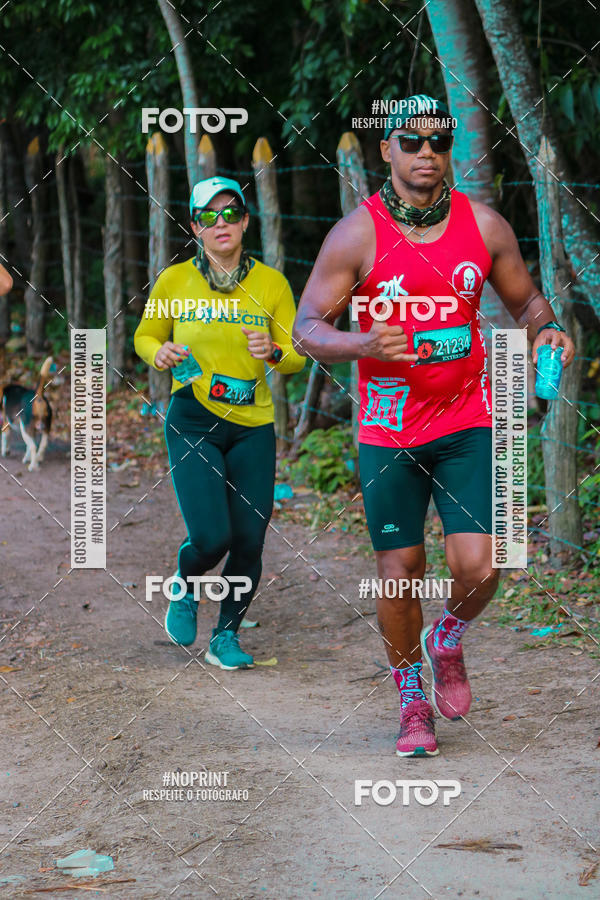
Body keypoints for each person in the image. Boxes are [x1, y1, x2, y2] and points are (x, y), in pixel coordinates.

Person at [293, 96, 574, 755]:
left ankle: (445, 637)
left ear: (451, 152)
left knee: (480, 566)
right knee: (401, 570)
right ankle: (410, 694)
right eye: (412, 142)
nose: (427, 153)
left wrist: (548, 329)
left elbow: (526, 300)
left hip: (466, 421)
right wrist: (363, 345)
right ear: (385, 150)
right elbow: (306, 329)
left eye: (438, 142)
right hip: (388, 431)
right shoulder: (355, 236)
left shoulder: (484, 227)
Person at [135, 176, 305, 669]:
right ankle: (185, 582)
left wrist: (274, 351)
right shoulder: (174, 281)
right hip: (193, 418)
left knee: (250, 538)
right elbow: (145, 336)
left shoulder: (272, 283)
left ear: (247, 221)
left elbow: (296, 355)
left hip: (253, 424)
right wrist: (159, 352)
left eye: (231, 213)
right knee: (213, 538)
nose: (221, 223)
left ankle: (224, 636)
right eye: (209, 216)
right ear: (195, 228)